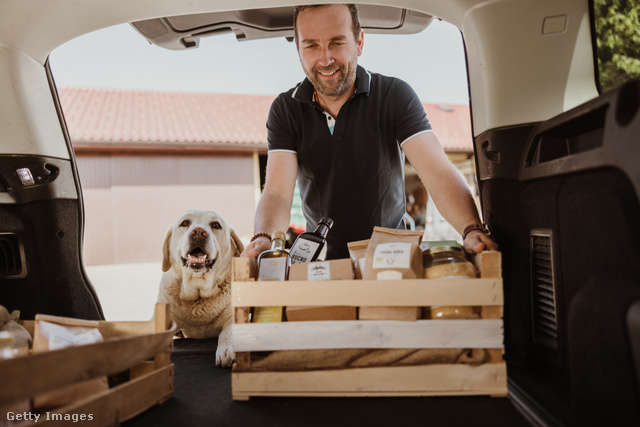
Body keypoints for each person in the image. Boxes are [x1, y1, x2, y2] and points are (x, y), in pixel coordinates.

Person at [242, 4, 497, 259]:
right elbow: (277, 193)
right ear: (299, 50)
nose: (325, 58)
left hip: (393, 258)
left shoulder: (395, 96)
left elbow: (438, 173)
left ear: (359, 42)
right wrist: (263, 237)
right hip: (321, 265)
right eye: (311, 45)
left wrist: (470, 228)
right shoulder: (285, 110)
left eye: (337, 42)